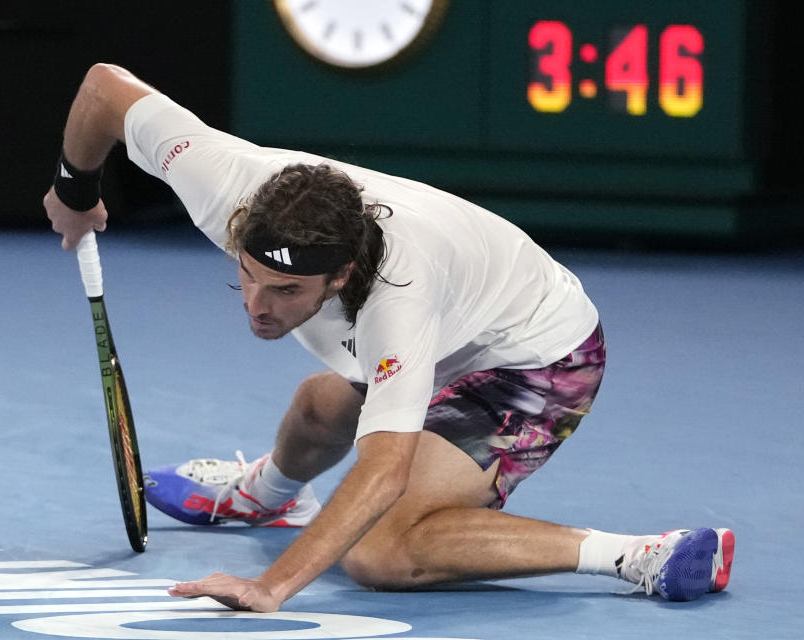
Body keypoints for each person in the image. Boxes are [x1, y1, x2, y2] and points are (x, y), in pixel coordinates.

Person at [44, 63, 734, 613]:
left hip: (534, 357)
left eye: (286, 294)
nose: (256, 307)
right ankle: (267, 494)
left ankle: (636, 553)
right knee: (319, 409)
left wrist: (273, 586)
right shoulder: (223, 182)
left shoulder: (395, 298)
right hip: (460, 321)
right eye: (248, 277)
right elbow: (105, 89)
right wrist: (75, 191)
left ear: (342, 274)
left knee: (381, 552)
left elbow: (383, 471)